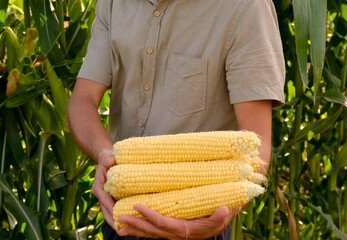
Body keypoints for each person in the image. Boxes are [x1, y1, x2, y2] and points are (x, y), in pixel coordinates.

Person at [67, 0, 285, 239]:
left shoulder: (245, 7)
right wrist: (105, 154)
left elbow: (256, 149)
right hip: (122, 215)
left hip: (197, 224)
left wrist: (221, 217)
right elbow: (82, 102)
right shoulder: (113, 4)